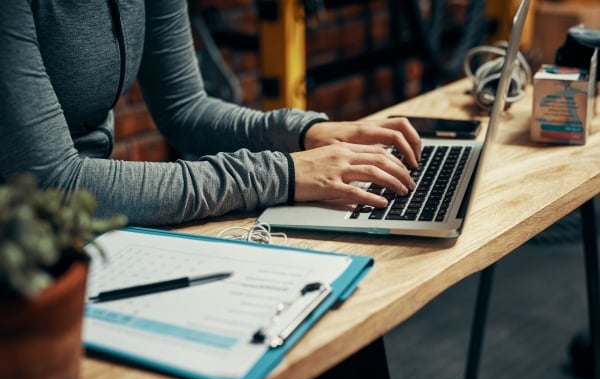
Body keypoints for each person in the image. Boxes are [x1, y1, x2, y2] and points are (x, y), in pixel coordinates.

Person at [0, 1, 421, 227]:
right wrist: (282, 174)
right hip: (23, 242)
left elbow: (185, 109)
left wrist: (303, 132)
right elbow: (57, 182)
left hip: (83, 223)